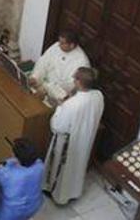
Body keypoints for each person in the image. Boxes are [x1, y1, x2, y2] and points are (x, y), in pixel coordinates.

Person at [43, 67, 104, 205]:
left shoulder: (72, 104)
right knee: (77, 166)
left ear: (79, 82)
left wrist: (60, 107)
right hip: (86, 138)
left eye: (75, 78)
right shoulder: (98, 96)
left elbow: (58, 127)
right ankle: (73, 192)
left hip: (67, 142)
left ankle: (57, 194)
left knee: (62, 168)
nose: (73, 80)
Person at [29, 30, 91, 105]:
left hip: (58, 95)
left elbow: (70, 85)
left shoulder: (82, 61)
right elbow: (43, 62)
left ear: (72, 45)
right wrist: (35, 77)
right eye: (59, 41)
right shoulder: (57, 46)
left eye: (62, 43)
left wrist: (47, 89)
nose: (58, 45)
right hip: (44, 84)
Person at [0, 138, 44, 220]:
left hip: (8, 214)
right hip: (34, 206)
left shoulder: (4, 173)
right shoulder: (40, 165)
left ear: (15, 156)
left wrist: (0, 168)